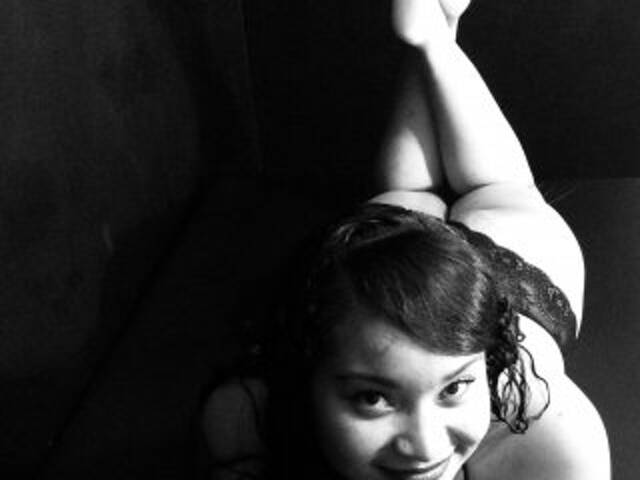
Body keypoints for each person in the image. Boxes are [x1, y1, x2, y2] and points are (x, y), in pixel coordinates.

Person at [202, 0, 610, 478]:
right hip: (384, 271)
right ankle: (434, 34)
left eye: (454, 389)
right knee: (429, 193)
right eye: (372, 398)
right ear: (306, 373)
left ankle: (433, 39)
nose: (425, 448)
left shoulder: (556, 444)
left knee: (482, 189)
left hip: (508, 270)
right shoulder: (244, 419)